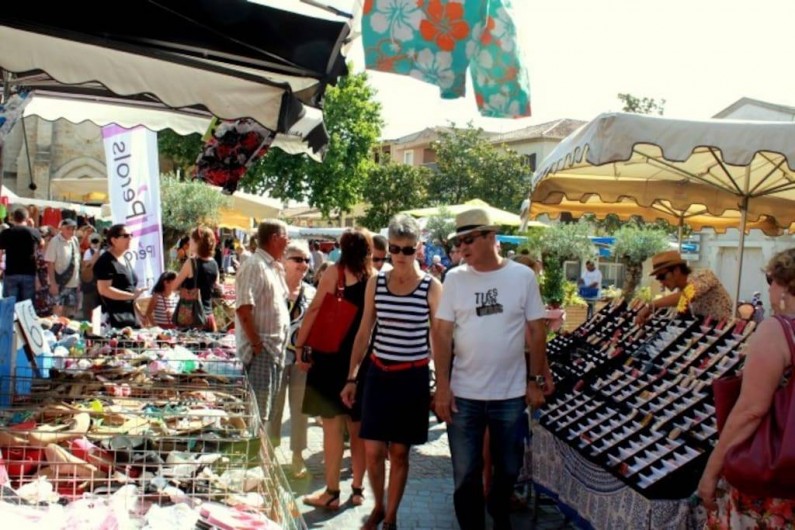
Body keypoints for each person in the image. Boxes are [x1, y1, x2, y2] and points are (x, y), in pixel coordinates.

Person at [430, 208, 553, 530]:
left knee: (508, 470)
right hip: (464, 394)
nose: (463, 248)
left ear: (490, 237)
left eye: (469, 240)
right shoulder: (455, 278)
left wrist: (535, 380)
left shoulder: (521, 277)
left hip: (510, 395)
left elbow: (537, 330)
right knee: (465, 476)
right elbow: (441, 332)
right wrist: (442, 385)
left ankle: (500, 516)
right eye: (460, 242)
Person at [342, 214, 442, 530]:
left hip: (411, 378)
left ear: (419, 249)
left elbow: (439, 337)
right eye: (395, 249)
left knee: (399, 453)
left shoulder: (431, 286)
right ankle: (378, 505)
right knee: (372, 450)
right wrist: (351, 377)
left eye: (408, 250)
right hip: (378, 374)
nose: (400, 256)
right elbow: (363, 332)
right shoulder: (377, 282)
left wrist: (441, 383)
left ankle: (391, 516)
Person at [698, 248, 795, 527]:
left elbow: (751, 410)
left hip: (776, 482)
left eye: (770, 281)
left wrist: (711, 471)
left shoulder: (777, 330)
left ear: (785, 284)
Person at [295, 228, 372, 511]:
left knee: (331, 428)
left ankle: (331, 492)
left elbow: (314, 310)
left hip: (330, 357)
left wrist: (300, 344)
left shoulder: (334, 273)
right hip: (360, 360)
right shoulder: (374, 278)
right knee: (358, 430)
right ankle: (358, 490)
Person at [235, 220, 291, 429]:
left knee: (266, 411)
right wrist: (256, 344)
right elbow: (243, 309)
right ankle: (253, 457)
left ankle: (259, 454)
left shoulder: (270, 266)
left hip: (271, 350)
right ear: (275, 238)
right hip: (262, 351)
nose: (288, 242)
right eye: (286, 237)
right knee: (257, 412)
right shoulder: (254, 265)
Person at [269, 241, 315, 479]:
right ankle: (270, 454)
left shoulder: (311, 292)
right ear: (284, 261)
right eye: (298, 259)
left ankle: (298, 457)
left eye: (306, 260)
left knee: (299, 409)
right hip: (276, 357)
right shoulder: (273, 289)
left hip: (301, 361)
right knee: (274, 408)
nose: (303, 265)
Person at [636, 250, 733, 325]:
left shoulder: (703, 276)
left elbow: (686, 296)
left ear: (676, 270)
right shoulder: (680, 289)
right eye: (658, 278)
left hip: (725, 336)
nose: (661, 282)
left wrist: (651, 305)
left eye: (662, 276)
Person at [94, 224, 146, 328]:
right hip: (110, 319)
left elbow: (130, 289)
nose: (130, 238)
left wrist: (140, 314)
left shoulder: (125, 259)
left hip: (129, 318)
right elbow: (104, 289)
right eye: (126, 236)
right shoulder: (105, 261)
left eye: (131, 235)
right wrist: (131, 296)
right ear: (114, 240)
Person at [174, 226, 220, 332]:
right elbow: (216, 287)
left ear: (197, 242)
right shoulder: (214, 263)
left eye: (191, 239)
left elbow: (173, 286)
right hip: (208, 317)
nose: (189, 242)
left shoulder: (191, 263)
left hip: (192, 318)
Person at [0, 207, 42, 303]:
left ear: (14, 218)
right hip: (28, 272)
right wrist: (32, 226)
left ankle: (10, 319)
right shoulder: (33, 232)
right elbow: (41, 244)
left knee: (9, 305)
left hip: (11, 272)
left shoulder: (6, 233)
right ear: (27, 219)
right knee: (27, 306)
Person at [44, 219, 81, 318]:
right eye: (68, 228)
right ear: (62, 229)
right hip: (58, 283)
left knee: (69, 313)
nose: (71, 231)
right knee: (57, 312)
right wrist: (53, 284)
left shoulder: (75, 241)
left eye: (73, 228)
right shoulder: (55, 241)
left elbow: (77, 262)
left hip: (72, 284)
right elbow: (50, 263)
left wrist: (78, 283)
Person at [79, 232, 103, 320]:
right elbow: (86, 266)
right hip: (90, 283)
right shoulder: (88, 252)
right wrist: (96, 257)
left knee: (98, 307)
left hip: (100, 282)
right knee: (88, 307)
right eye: (93, 241)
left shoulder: (103, 251)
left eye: (97, 241)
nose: (95, 243)